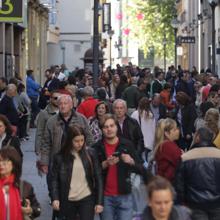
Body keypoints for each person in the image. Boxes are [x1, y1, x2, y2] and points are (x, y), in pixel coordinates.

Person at [92, 114, 147, 220]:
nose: (109, 129)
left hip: (125, 195)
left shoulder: (127, 145)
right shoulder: (97, 148)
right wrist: (105, 164)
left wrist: (131, 162)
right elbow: (91, 173)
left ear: (117, 127)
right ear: (102, 130)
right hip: (105, 197)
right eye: (105, 127)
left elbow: (140, 168)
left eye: (112, 126)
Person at [50, 125, 103, 220]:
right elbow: (54, 180)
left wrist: (99, 202)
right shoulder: (59, 157)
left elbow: (98, 177)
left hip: (87, 199)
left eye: (82, 140)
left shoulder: (90, 154)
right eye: (76, 141)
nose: (80, 144)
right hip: (68, 200)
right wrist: (55, 198)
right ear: (69, 141)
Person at [40, 93, 94, 174]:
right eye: (60, 103)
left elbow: (89, 138)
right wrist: (44, 162)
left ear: (71, 105)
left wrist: (90, 158)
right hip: (57, 161)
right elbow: (46, 143)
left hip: (77, 160)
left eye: (65, 103)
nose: (63, 106)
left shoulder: (81, 119)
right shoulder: (51, 121)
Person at [175, 127, 220, 220]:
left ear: (198, 137)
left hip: (195, 203)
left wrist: (182, 202)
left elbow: (179, 185)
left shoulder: (186, 157)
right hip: (217, 203)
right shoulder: (218, 154)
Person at [0, 147, 41, 220]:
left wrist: (30, 210)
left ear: (14, 163)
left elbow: (37, 209)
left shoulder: (24, 186)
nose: (1, 164)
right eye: (0, 160)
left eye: (5, 160)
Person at [35, 90, 60, 155]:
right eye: (55, 98)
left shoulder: (64, 111)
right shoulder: (44, 113)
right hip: (47, 148)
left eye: (59, 98)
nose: (57, 100)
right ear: (50, 99)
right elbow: (39, 132)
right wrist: (38, 149)